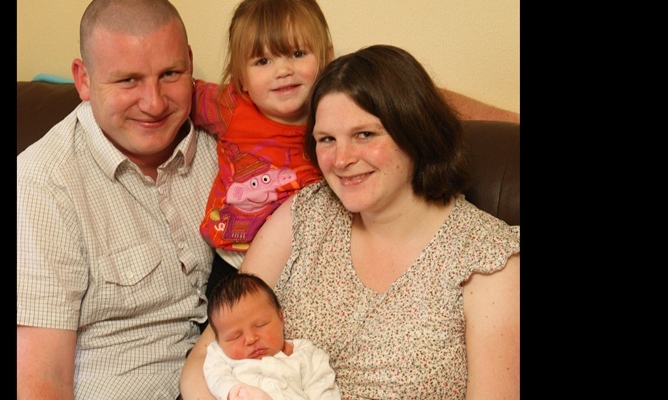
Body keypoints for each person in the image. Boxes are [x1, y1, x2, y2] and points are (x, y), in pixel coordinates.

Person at [180, 44, 520, 399]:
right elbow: (206, 354)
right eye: (327, 139)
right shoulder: (304, 215)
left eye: (365, 135)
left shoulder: (488, 259)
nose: (340, 160)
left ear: (415, 131)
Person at [17, 1, 219, 399]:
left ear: (190, 64)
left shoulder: (220, 149)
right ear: (84, 79)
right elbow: (41, 380)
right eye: (128, 80)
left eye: (170, 74)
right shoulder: (43, 183)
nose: (155, 103)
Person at [192, 0, 333, 295]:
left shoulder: (338, 111)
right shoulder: (229, 106)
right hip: (235, 263)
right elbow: (176, 93)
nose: (283, 70)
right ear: (241, 78)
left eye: (297, 53)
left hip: (307, 269)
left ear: (327, 57)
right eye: (263, 61)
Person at [204, 273, 341, 400]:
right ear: (219, 341)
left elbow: (324, 393)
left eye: (261, 325)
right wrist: (236, 391)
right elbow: (215, 376)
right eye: (235, 336)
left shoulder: (308, 356)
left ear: (280, 318)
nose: (251, 339)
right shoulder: (220, 354)